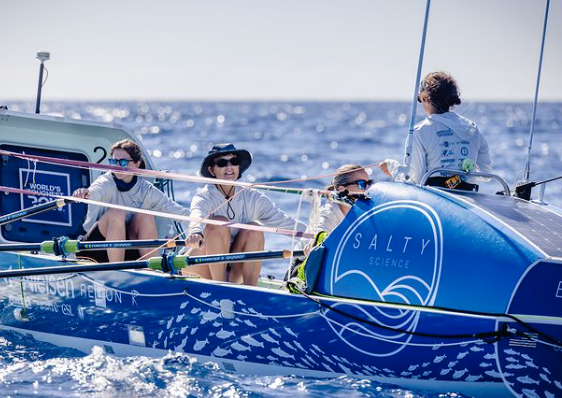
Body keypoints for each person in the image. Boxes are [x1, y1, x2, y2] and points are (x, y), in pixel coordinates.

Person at [185, 143, 307, 286]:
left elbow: (286, 223)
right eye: (222, 163)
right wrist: (195, 232)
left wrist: (316, 236)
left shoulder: (252, 198)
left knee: (254, 228)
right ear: (212, 170)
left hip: (233, 271)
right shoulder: (204, 197)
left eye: (234, 162)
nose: (229, 167)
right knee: (219, 223)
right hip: (200, 268)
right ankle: (221, 291)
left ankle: (250, 290)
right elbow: (196, 216)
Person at [73, 139, 190, 263]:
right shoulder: (106, 181)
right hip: (94, 249)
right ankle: (117, 270)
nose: (116, 167)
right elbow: (95, 191)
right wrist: (86, 193)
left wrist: (200, 223)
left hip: (127, 249)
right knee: (117, 213)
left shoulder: (146, 190)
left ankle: (152, 271)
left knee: (146, 216)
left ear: (137, 163)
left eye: (122, 162)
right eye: (113, 161)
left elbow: (177, 211)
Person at [379, 71, 492, 189]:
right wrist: (462, 175)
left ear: (427, 99)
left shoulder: (419, 131)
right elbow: (486, 174)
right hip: (468, 198)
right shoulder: (472, 128)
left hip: (435, 201)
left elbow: (414, 180)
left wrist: (392, 167)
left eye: (420, 99)